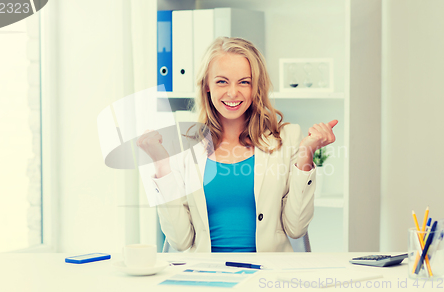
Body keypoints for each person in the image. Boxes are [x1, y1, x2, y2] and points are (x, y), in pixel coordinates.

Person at [137, 37, 338, 252]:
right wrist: (161, 164)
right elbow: (180, 240)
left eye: (244, 82)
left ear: (256, 87)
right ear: (206, 85)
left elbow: (296, 228)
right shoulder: (184, 145)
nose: (233, 93)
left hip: (265, 277)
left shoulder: (287, 138)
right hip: (207, 277)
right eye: (222, 81)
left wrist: (306, 156)